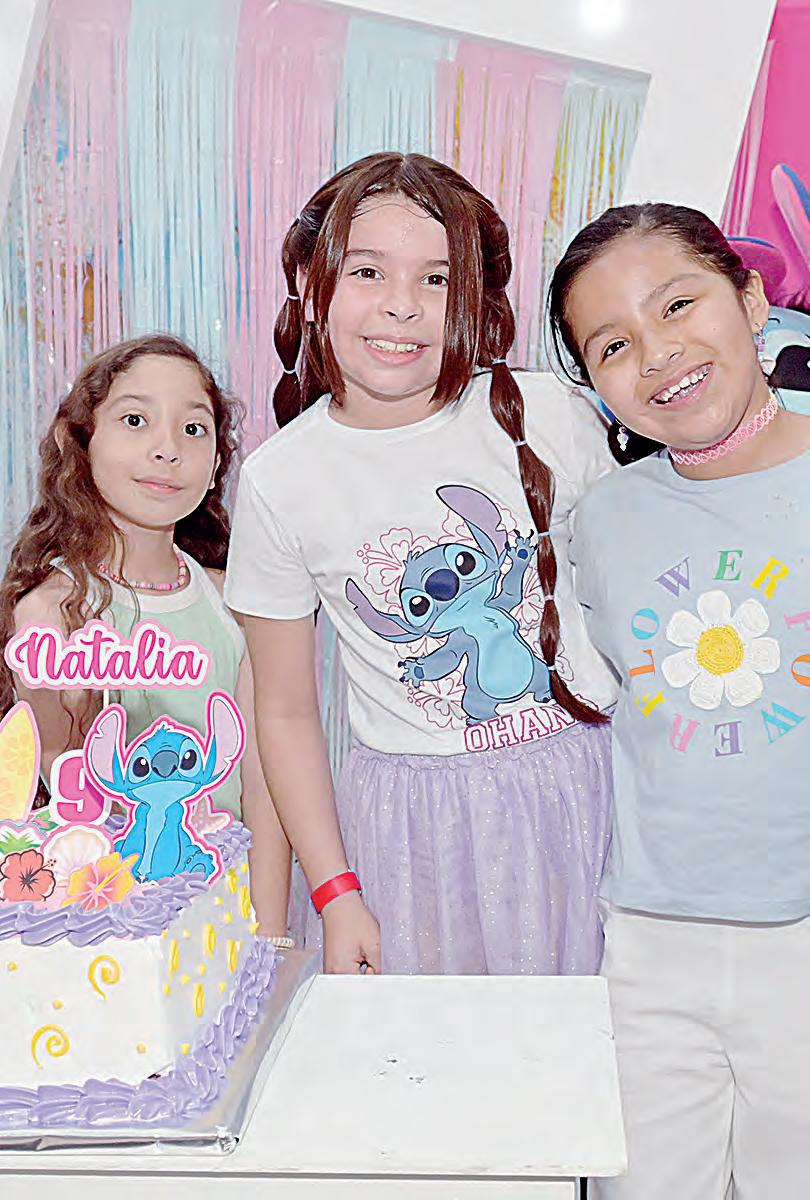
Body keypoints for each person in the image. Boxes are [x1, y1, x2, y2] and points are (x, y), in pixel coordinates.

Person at [224, 152, 618, 976]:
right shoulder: (279, 481)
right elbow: (285, 712)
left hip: (590, 796)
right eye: (368, 271)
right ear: (310, 281)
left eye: (436, 279)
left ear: (473, 295)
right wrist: (335, 891)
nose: (402, 305)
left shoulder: (549, 412)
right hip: (415, 837)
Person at [549, 202, 810, 1197]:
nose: (657, 355)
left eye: (678, 305)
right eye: (613, 345)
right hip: (651, 944)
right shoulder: (604, 518)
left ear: (750, 299)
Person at [0, 334, 291, 935]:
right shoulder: (54, 613)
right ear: (81, 442)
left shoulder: (234, 604)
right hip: (108, 923)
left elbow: (266, 789)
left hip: (225, 916)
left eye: (193, 428)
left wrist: (269, 934)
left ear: (217, 462)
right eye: (135, 420)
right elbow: (62, 785)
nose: (167, 449)